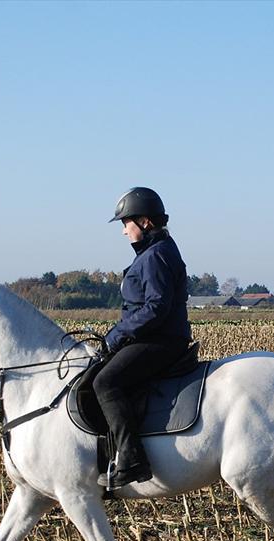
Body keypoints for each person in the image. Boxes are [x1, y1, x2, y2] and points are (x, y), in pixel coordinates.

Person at [93, 187, 192, 489]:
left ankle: (132, 458)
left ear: (145, 222)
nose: (124, 231)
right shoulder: (156, 250)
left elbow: (156, 308)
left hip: (160, 340)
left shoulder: (155, 255)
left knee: (105, 383)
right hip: (155, 336)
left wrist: (117, 336)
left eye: (126, 223)